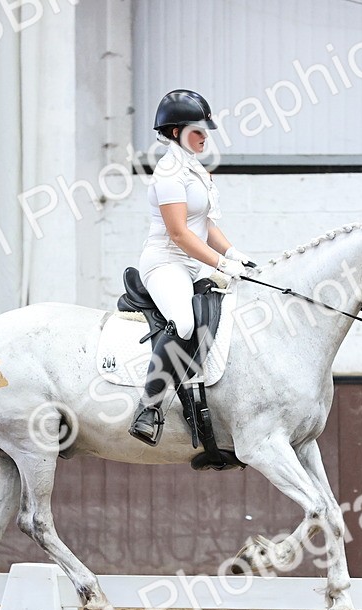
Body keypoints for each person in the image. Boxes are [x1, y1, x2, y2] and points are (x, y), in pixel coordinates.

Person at [128, 89, 254, 446]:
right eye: (197, 130)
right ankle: (149, 407)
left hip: (195, 264)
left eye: (205, 130)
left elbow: (207, 228)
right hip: (167, 263)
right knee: (183, 322)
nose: (204, 136)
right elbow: (180, 234)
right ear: (174, 133)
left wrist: (237, 255)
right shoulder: (169, 173)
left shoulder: (197, 170)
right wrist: (222, 264)